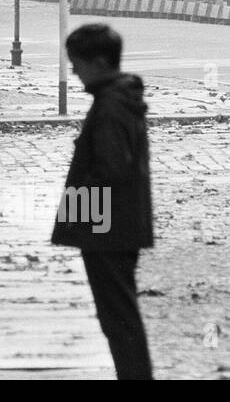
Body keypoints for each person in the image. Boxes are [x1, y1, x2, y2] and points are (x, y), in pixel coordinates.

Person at [51, 23, 154, 380]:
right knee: (117, 313)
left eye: (77, 63)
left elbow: (109, 171)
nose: (75, 70)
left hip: (108, 229)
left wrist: (79, 225)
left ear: (97, 62)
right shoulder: (118, 100)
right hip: (115, 225)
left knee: (118, 315)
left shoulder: (111, 106)